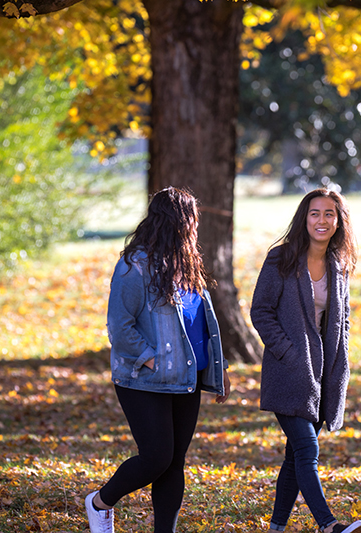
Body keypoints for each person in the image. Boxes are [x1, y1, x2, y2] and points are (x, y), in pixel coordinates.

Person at [85, 187, 231, 533]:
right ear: (179, 221)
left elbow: (198, 324)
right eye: (192, 218)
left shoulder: (187, 263)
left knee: (174, 462)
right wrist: (151, 359)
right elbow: (119, 327)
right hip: (142, 379)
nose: (196, 225)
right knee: (156, 457)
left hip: (186, 378)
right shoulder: (135, 266)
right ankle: (100, 502)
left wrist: (216, 369)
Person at [251, 189, 361, 533]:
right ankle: (329, 525)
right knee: (307, 448)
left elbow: (341, 322)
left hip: (322, 374)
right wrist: (289, 353)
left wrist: (337, 367)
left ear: (338, 221)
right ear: (304, 218)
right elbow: (261, 312)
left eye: (329, 214)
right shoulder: (281, 259)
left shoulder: (338, 265)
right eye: (315, 213)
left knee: (294, 457)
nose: (321, 220)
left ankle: (277, 527)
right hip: (289, 372)